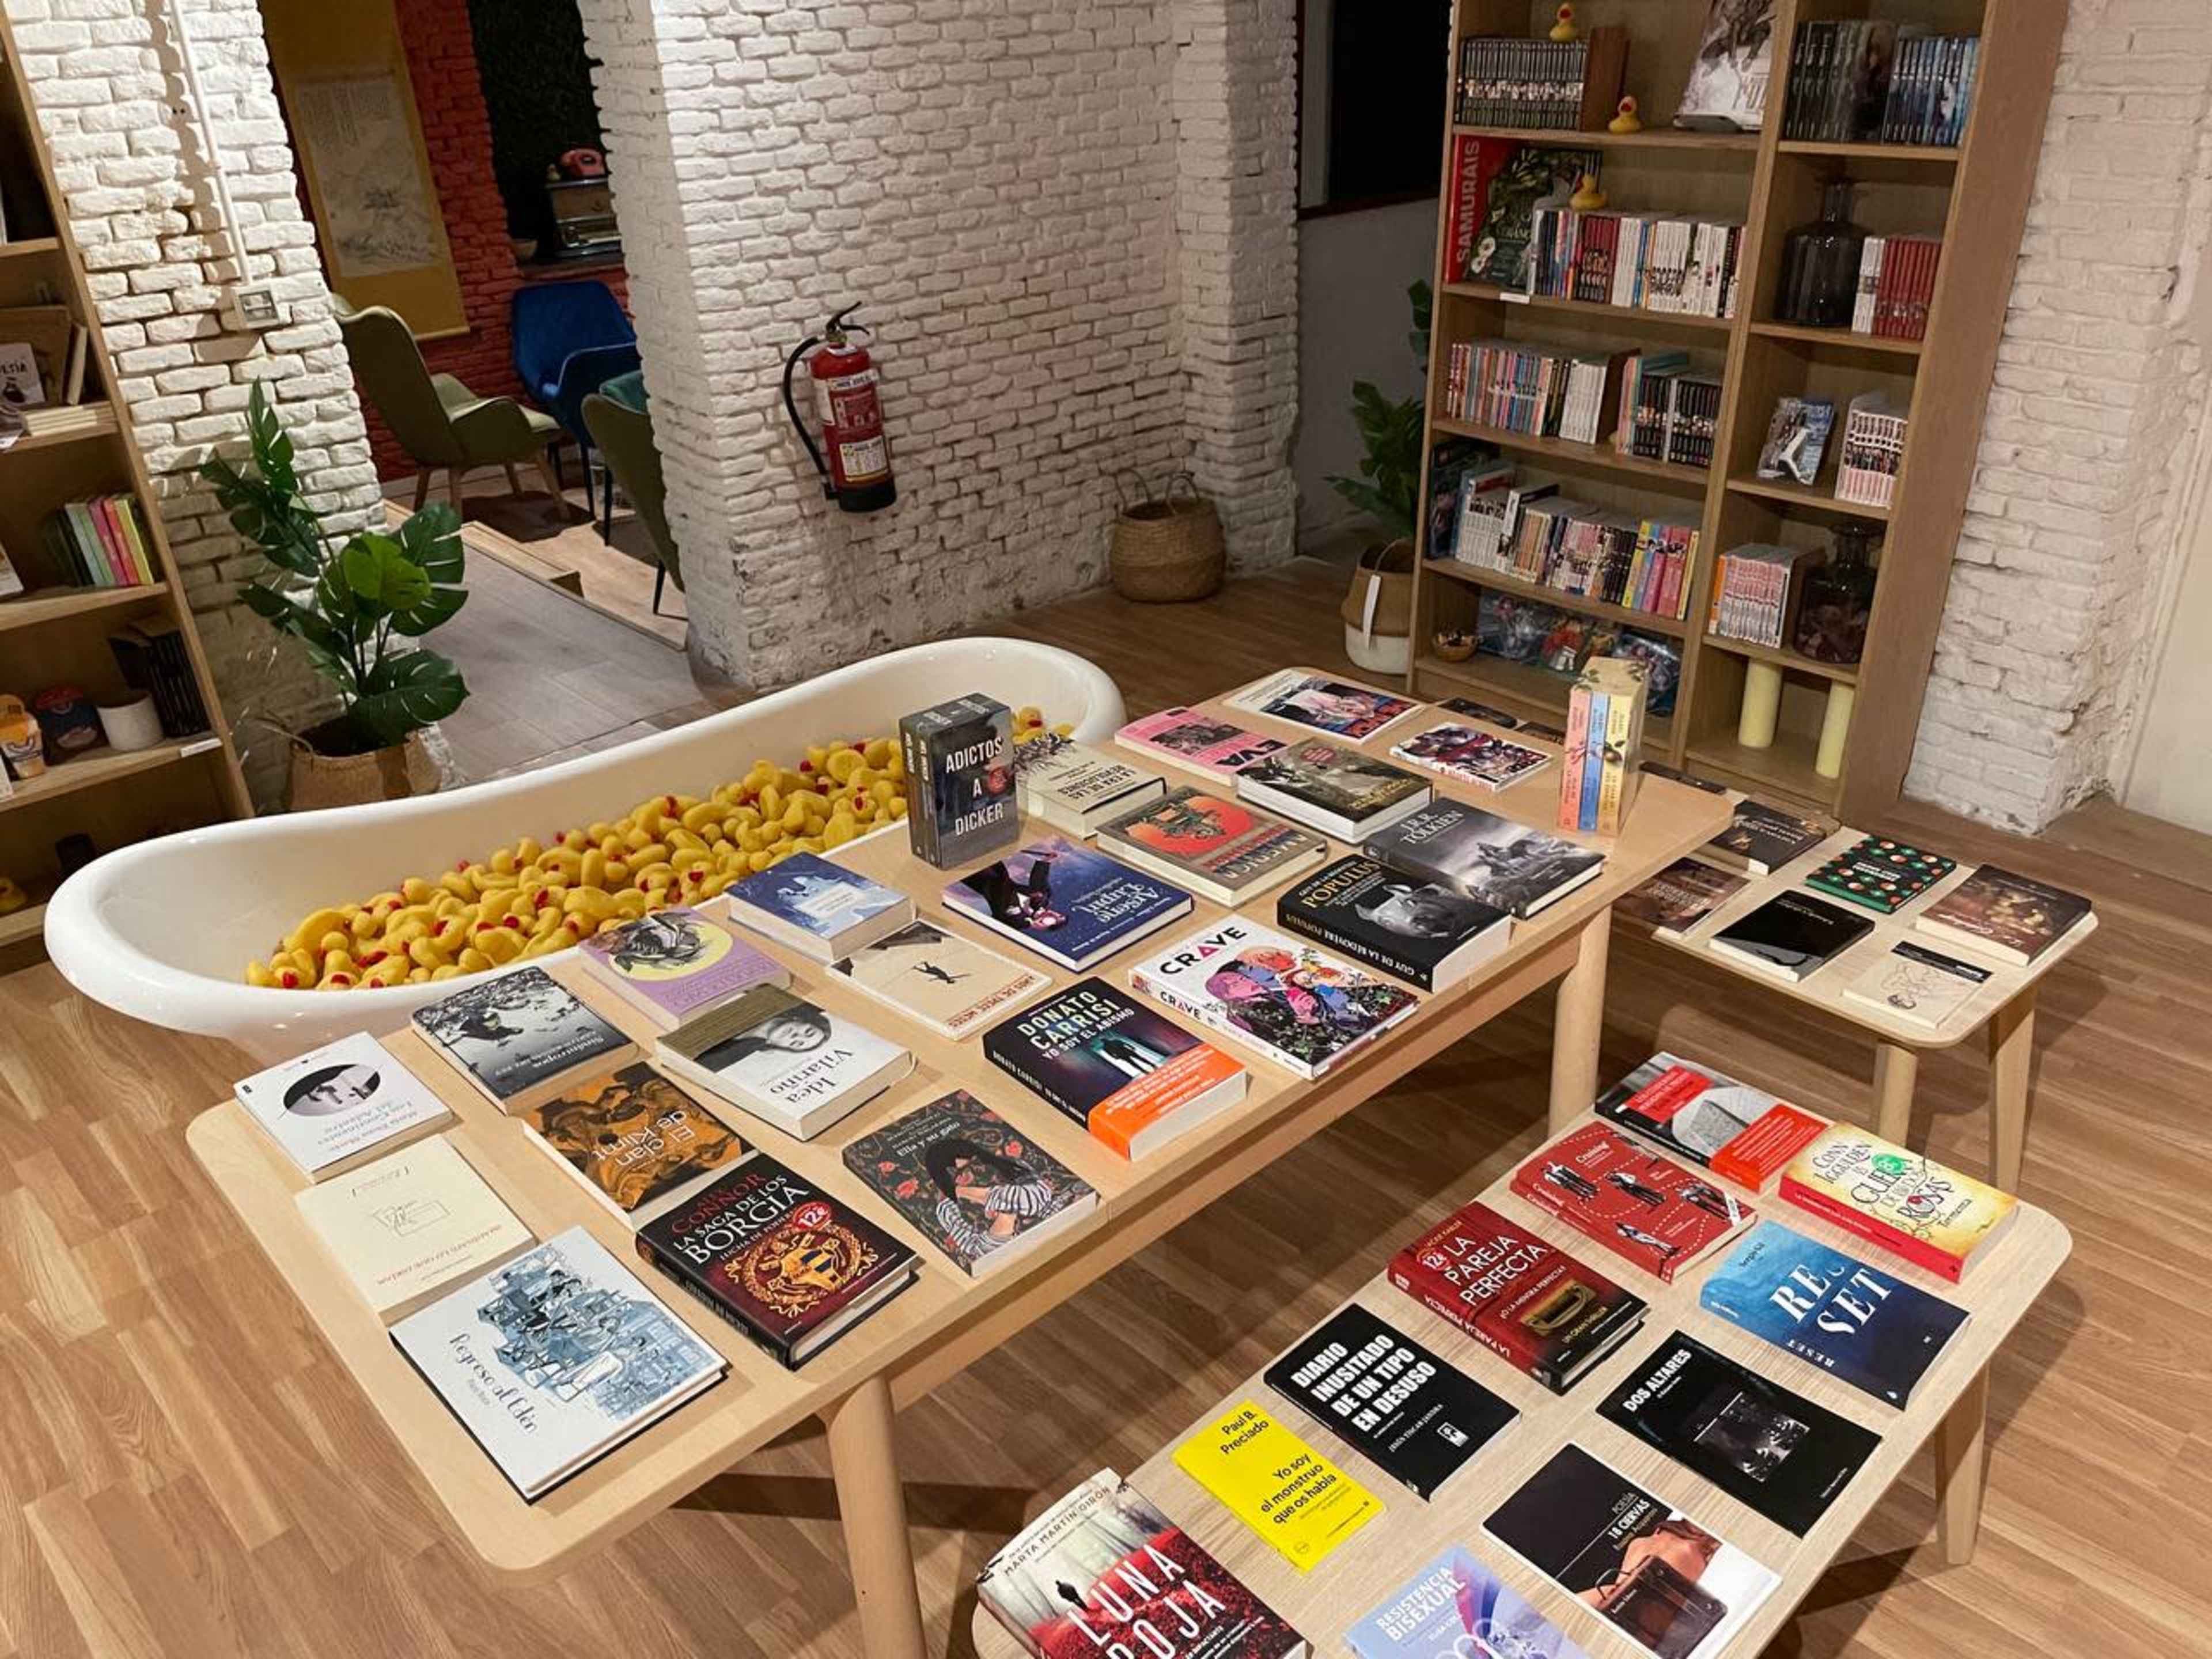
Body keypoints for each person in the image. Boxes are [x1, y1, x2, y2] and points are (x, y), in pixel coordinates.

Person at [922, 1137, 1057, 1259]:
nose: (971, 1173)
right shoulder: (948, 1209)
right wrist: (1005, 1216)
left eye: (975, 1163)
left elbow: (1033, 1199)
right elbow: (980, 1251)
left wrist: (980, 1195)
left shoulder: (1011, 1168)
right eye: (957, 1173)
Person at [963, 851, 1065, 931]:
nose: (1054, 915)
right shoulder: (1043, 899)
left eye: (1054, 920)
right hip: (997, 869)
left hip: (979, 879)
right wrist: (1046, 861)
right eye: (1059, 915)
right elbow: (1039, 880)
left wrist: (1031, 924)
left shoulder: (1020, 922)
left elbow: (1003, 912)